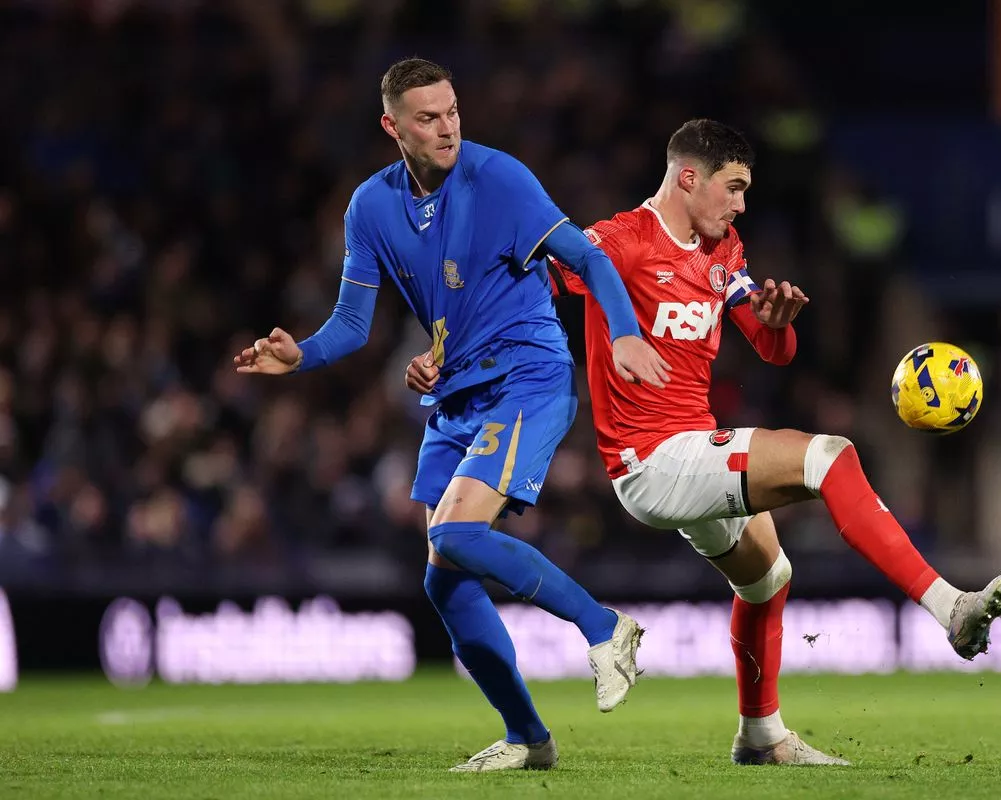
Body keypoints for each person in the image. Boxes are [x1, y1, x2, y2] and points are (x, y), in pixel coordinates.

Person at [406, 119, 1001, 767]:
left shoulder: (722, 249)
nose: (741, 204)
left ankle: (762, 736)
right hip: (650, 459)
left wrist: (776, 323)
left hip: (693, 451)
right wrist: (447, 352)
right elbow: (525, 290)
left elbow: (773, 349)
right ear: (689, 178)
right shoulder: (620, 242)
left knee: (768, 579)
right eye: (734, 187)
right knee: (829, 456)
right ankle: (951, 607)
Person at [235, 58, 673, 773]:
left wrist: (624, 333)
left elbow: (590, 261)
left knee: (456, 532)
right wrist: (302, 354)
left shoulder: (499, 178)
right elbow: (353, 324)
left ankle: (605, 628)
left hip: (528, 376)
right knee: (442, 578)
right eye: (428, 118)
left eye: (453, 112)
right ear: (392, 126)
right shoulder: (370, 207)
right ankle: (529, 739)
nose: (447, 128)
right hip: (456, 394)